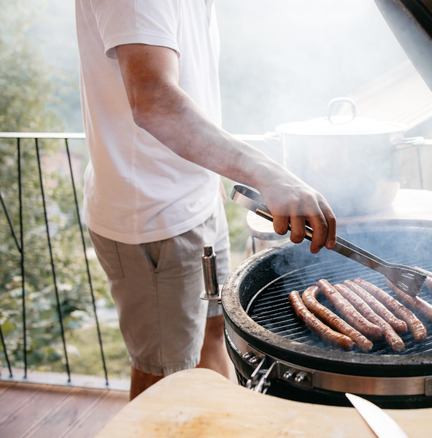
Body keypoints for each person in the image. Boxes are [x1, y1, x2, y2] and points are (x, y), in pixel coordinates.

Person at [75, 0, 337, 400]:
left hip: (197, 200)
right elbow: (152, 99)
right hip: (153, 216)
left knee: (214, 334)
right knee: (163, 381)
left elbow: (187, 89)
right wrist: (270, 174)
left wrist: (210, 175)